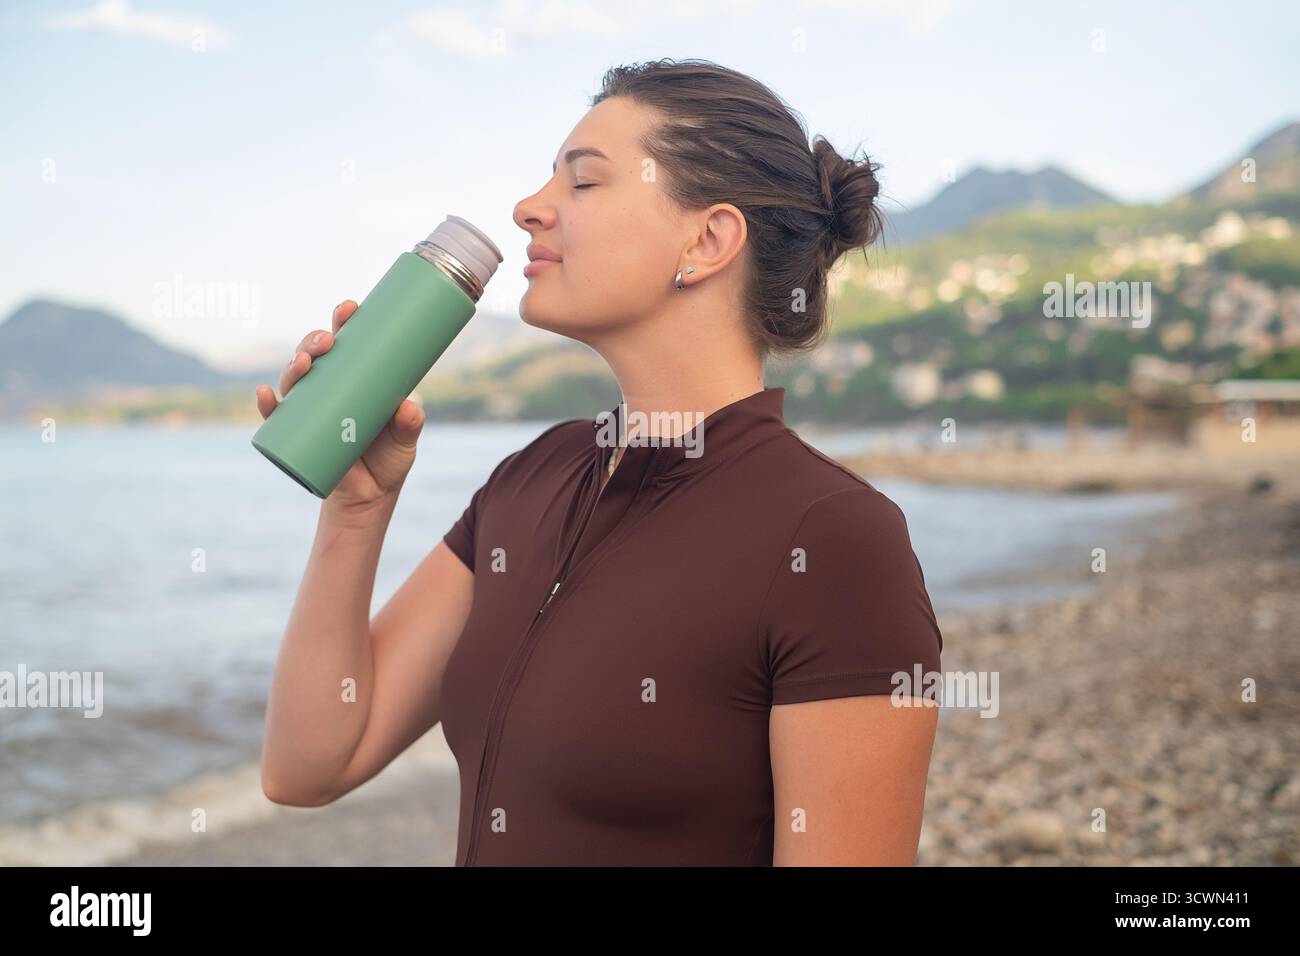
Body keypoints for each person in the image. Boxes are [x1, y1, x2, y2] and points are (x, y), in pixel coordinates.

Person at [256, 58, 943, 866]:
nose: (527, 209)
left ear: (708, 238)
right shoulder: (532, 479)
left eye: (582, 184)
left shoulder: (831, 538)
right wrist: (356, 509)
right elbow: (309, 764)